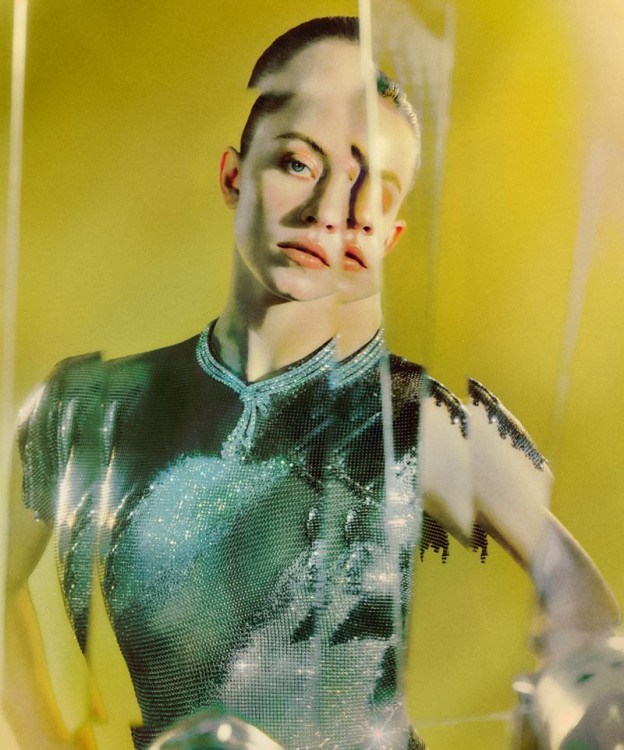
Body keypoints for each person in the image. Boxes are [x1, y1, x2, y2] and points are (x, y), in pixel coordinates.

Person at [4, 16, 620, 750]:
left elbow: (584, 610)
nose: (331, 210)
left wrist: (575, 702)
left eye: (372, 189)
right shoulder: (89, 412)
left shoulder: (412, 415)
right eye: (299, 163)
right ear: (234, 175)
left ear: (388, 235)